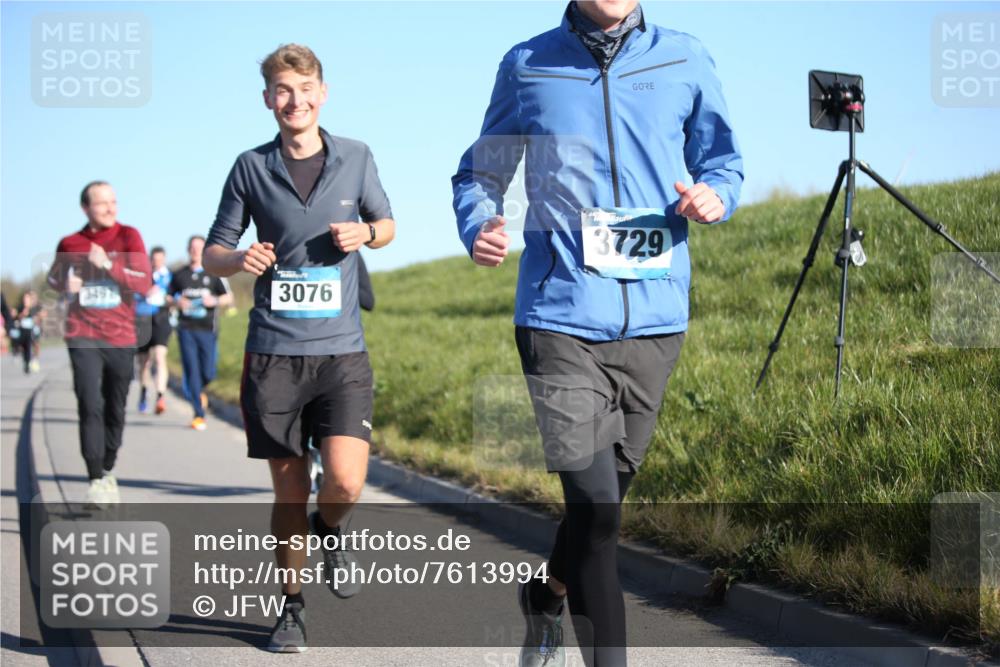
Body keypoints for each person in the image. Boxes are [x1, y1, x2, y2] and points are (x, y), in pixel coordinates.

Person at [452, 2, 743, 665]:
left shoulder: (685, 56)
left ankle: (546, 596)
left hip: (656, 321)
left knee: (598, 512)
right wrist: (479, 223)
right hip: (559, 316)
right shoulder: (528, 64)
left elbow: (723, 160)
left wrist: (716, 195)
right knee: (599, 513)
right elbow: (480, 173)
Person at [202, 43, 395, 653]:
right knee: (289, 490)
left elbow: (388, 226)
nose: (295, 100)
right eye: (283, 90)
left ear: (323, 93)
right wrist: (239, 258)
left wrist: (367, 231)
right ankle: (292, 607)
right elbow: (212, 252)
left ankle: (329, 529)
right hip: (274, 355)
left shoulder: (357, 156)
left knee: (345, 482)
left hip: (341, 353)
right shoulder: (250, 167)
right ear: (268, 99)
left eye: (305, 88)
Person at [46, 181, 152, 507]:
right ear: (86, 208)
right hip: (83, 333)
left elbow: (144, 283)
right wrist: (65, 281)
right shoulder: (71, 243)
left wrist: (107, 264)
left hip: (121, 336)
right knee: (89, 402)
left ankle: (107, 467)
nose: (110, 208)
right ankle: (95, 478)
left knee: (115, 408)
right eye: (102, 203)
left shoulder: (128, 236)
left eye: (113, 202)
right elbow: (53, 279)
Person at [168, 235, 232, 431]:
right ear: (188, 250)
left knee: (208, 372)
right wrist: (177, 301)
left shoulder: (213, 273)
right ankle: (198, 413)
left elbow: (228, 297)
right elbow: (167, 297)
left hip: (208, 330)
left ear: (204, 250)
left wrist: (214, 301)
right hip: (186, 329)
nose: (195, 251)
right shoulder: (179, 274)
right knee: (192, 370)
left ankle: (200, 391)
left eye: (199, 247)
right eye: (193, 247)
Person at [134, 246, 173, 414]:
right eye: (154, 260)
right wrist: (144, 292)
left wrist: (167, 297)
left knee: (159, 356)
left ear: (164, 259)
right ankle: (144, 393)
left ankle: (160, 396)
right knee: (144, 362)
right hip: (142, 320)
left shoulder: (170, 277)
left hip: (161, 319)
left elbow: (176, 297)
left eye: (160, 260)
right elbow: (132, 295)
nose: (156, 263)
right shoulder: (142, 276)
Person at [14, 290, 45, 373]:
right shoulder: (20, 307)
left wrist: (39, 317)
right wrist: (22, 314)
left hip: (34, 329)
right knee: (25, 346)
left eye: (27, 298)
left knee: (36, 344)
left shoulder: (36, 307)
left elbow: (42, 315)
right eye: (25, 298)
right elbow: (16, 317)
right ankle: (27, 360)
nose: (25, 300)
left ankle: (35, 359)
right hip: (23, 330)